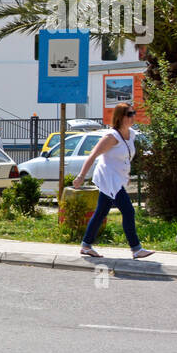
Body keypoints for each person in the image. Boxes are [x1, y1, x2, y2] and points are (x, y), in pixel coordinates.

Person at [74, 102, 154, 259]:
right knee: (128, 211)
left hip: (118, 178)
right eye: (129, 114)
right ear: (120, 117)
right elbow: (93, 156)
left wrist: (127, 175)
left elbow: (125, 158)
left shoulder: (131, 134)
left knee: (101, 212)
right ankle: (136, 249)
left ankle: (86, 245)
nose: (133, 117)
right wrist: (81, 176)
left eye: (133, 113)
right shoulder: (111, 137)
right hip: (108, 179)